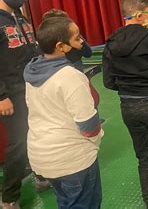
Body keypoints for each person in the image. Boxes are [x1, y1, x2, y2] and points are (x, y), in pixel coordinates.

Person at [24, 16, 103, 209]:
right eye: (77, 38)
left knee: (66, 203)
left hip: (43, 155)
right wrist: (97, 136)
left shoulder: (32, 70)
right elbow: (88, 126)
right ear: (60, 46)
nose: (82, 42)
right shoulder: (70, 77)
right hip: (72, 160)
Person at [102, 0, 148, 209]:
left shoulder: (111, 42)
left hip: (128, 107)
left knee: (145, 157)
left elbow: (108, 82)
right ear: (140, 15)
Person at [0, 0, 49, 208]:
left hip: (32, 86)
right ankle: (9, 197)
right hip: (11, 92)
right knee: (18, 143)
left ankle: (40, 175)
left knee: (38, 132)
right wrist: (2, 96)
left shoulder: (20, 16)